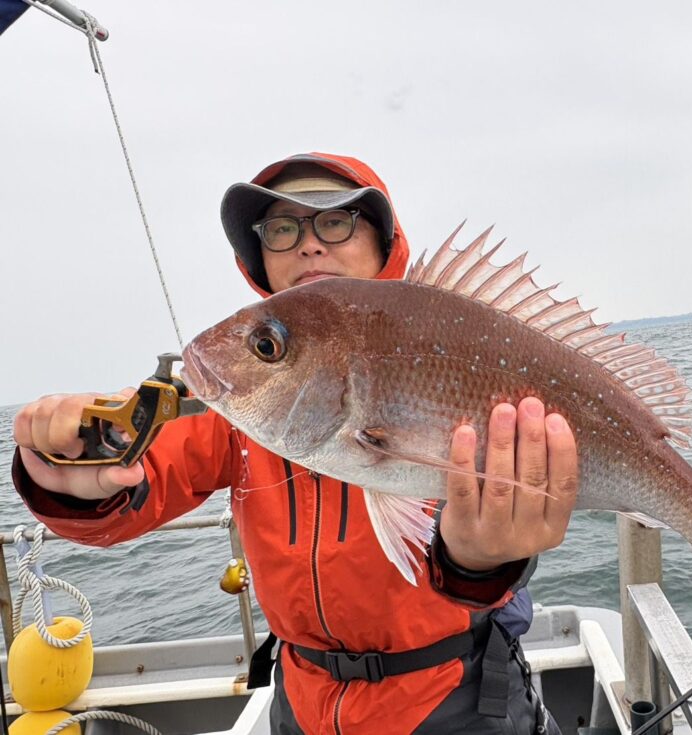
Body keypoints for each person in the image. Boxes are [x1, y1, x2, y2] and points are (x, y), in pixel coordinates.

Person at [11, 153, 578, 734]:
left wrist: (481, 561)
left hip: (454, 693)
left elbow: (483, 569)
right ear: (259, 259)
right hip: (300, 700)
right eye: (282, 229)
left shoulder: (448, 347)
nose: (308, 245)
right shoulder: (242, 395)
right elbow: (137, 487)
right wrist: (74, 479)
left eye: (335, 221)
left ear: (386, 243)